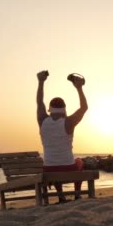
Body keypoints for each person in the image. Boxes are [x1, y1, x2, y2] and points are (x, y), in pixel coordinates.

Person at [36, 70, 88, 203]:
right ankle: (77, 194)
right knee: (79, 162)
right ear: (64, 109)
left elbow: (39, 102)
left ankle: (61, 196)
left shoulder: (42, 120)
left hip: (49, 170)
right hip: (69, 169)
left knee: (52, 164)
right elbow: (84, 108)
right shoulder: (68, 122)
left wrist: (41, 82)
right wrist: (79, 88)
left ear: (50, 109)